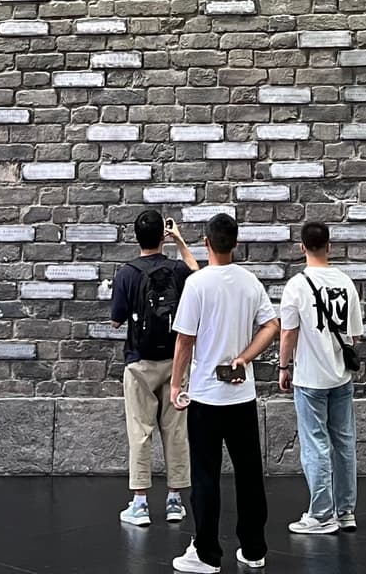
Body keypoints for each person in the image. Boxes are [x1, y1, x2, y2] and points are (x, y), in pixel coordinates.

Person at [170, 212, 280, 574]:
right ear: (235, 244)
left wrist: (175, 384)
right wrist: (245, 357)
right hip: (242, 397)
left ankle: (205, 554)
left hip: (204, 396)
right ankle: (253, 549)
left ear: (206, 243)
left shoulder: (198, 284)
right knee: (249, 474)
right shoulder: (249, 282)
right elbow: (272, 325)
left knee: (205, 476)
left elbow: (185, 340)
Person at [110, 210, 199, 526]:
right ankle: (175, 501)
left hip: (139, 363)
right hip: (176, 362)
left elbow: (116, 318)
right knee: (176, 432)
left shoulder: (127, 273)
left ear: (136, 237)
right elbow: (199, 277)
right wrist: (180, 241)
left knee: (140, 431)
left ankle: (140, 504)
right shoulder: (176, 269)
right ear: (163, 235)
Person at [278, 221, 364, 536]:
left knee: (315, 444)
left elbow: (288, 333)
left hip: (309, 377)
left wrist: (283, 367)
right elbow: (355, 336)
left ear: (302, 247)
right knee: (344, 442)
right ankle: (346, 512)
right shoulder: (346, 282)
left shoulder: (296, 285)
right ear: (329, 246)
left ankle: (321, 514)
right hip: (341, 376)